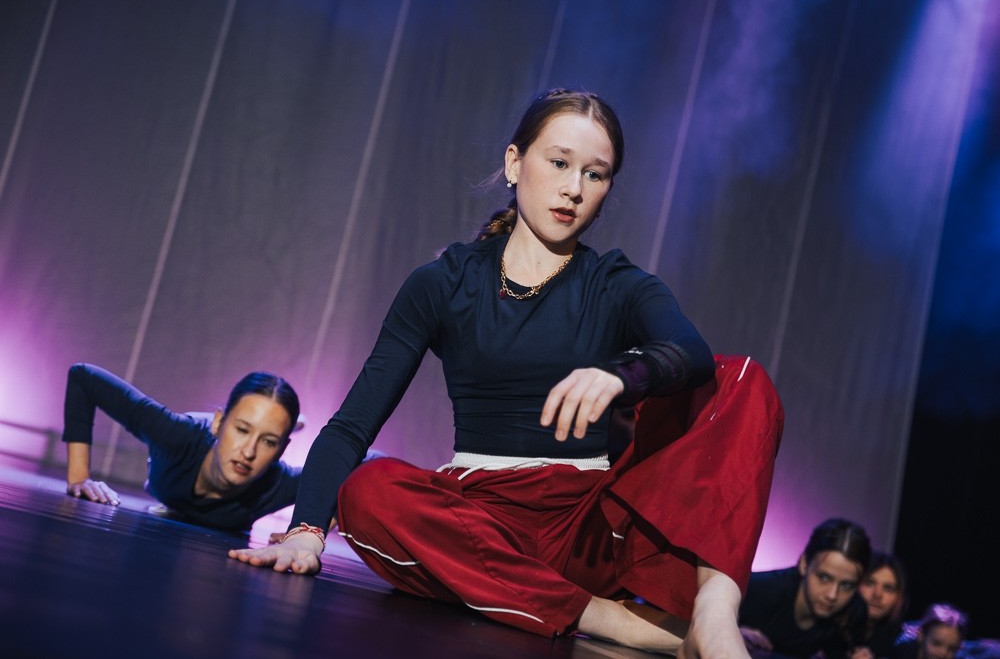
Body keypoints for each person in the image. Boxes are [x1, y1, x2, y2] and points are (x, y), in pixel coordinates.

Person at [229, 88, 784, 656]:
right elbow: (352, 426)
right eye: (560, 163)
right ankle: (611, 620)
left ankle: (715, 612)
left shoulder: (616, 284)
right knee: (369, 490)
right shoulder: (444, 282)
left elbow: (691, 352)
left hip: (588, 527)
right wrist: (305, 534)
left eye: (595, 174)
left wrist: (624, 374)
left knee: (742, 380)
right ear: (515, 163)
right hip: (479, 521)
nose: (574, 188)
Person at [63, 362, 301, 532]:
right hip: (197, 433)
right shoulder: (176, 435)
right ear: (219, 423)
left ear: (282, 450)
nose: (249, 452)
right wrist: (79, 478)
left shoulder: (279, 483)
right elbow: (83, 377)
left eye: (269, 442)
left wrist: (305, 535)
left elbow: (328, 482)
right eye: (242, 430)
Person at [739, 517, 872, 658]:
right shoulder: (759, 591)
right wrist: (731, 632)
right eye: (824, 578)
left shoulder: (853, 613)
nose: (832, 595)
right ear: (804, 564)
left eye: (846, 586)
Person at [856, 552, 909, 658]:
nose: (877, 594)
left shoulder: (902, 645)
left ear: (899, 598)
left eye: (888, 588)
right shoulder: (829, 630)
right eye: (869, 583)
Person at [894, 604, 968, 659]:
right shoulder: (897, 652)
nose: (943, 654)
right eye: (936, 644)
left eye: (951, 649)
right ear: (921, 635)